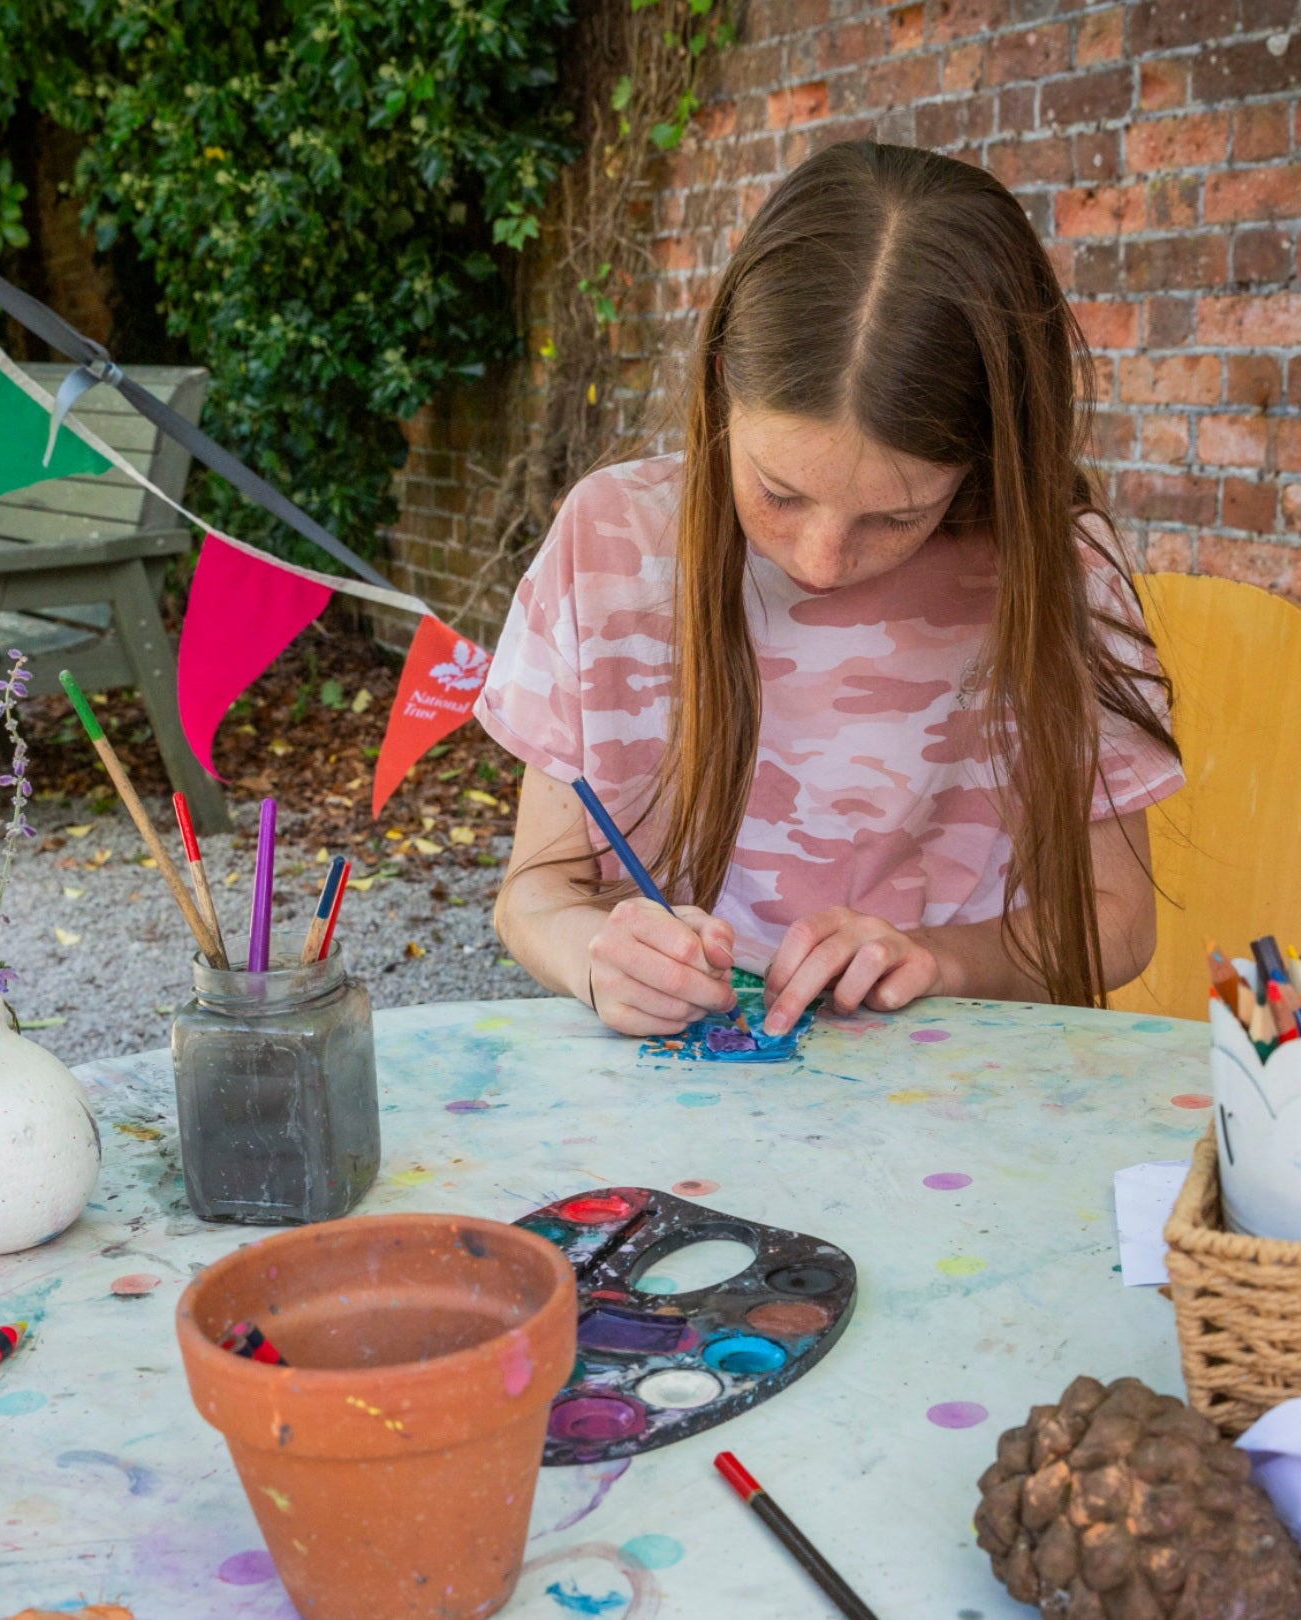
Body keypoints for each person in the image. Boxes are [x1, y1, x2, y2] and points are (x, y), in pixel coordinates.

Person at [486, 141, 1182, 1040]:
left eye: (897, 517)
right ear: (721, 390)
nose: (818, 560)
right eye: (778, 492)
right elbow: (534, 893)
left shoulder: (1058, 572)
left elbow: (1118, 919)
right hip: (674, 1088)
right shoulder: (611, 538)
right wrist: (596, 955)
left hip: (951, 1098)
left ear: (987, 459)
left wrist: (944, 957)